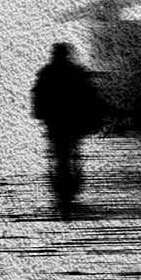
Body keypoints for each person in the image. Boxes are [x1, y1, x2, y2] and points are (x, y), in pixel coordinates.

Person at [30, 41, 104, 216]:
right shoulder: (75, 72)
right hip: (72, 121)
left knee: (58, 152)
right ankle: (74, 178)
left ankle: (59, 183)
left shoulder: (47, 72)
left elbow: (38, 95)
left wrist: (39, 113)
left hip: (55, 121)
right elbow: (90, 95)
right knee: (72, 150)